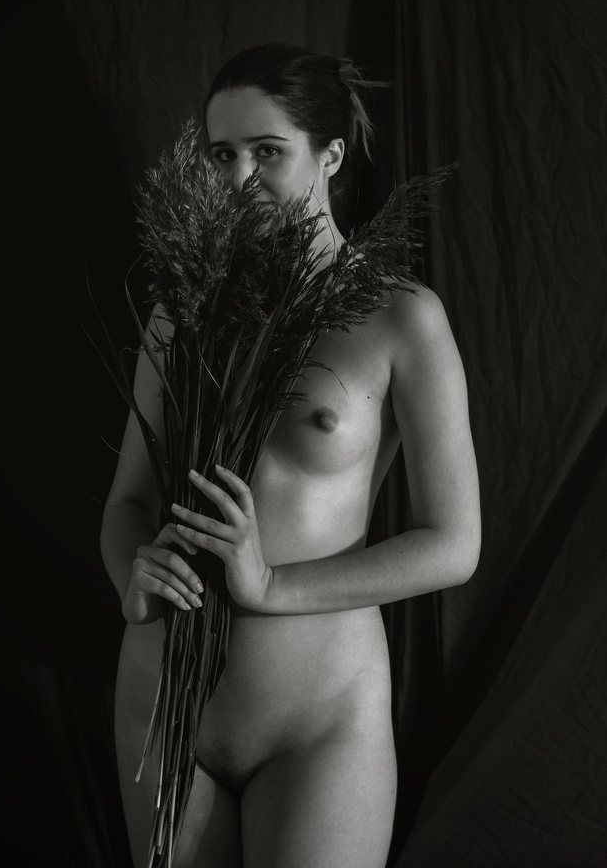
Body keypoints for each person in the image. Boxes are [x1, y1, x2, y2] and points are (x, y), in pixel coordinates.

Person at [100, 43, 481, 868]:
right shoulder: (181, 309)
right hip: (162, 703)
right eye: (222, 155)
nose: (240, 178)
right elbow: (128, 501)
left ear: (331, 155)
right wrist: (131, 573)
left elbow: (454, 544)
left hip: (319, 718)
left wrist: (270, 585)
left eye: (266, 151)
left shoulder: (401, 320)